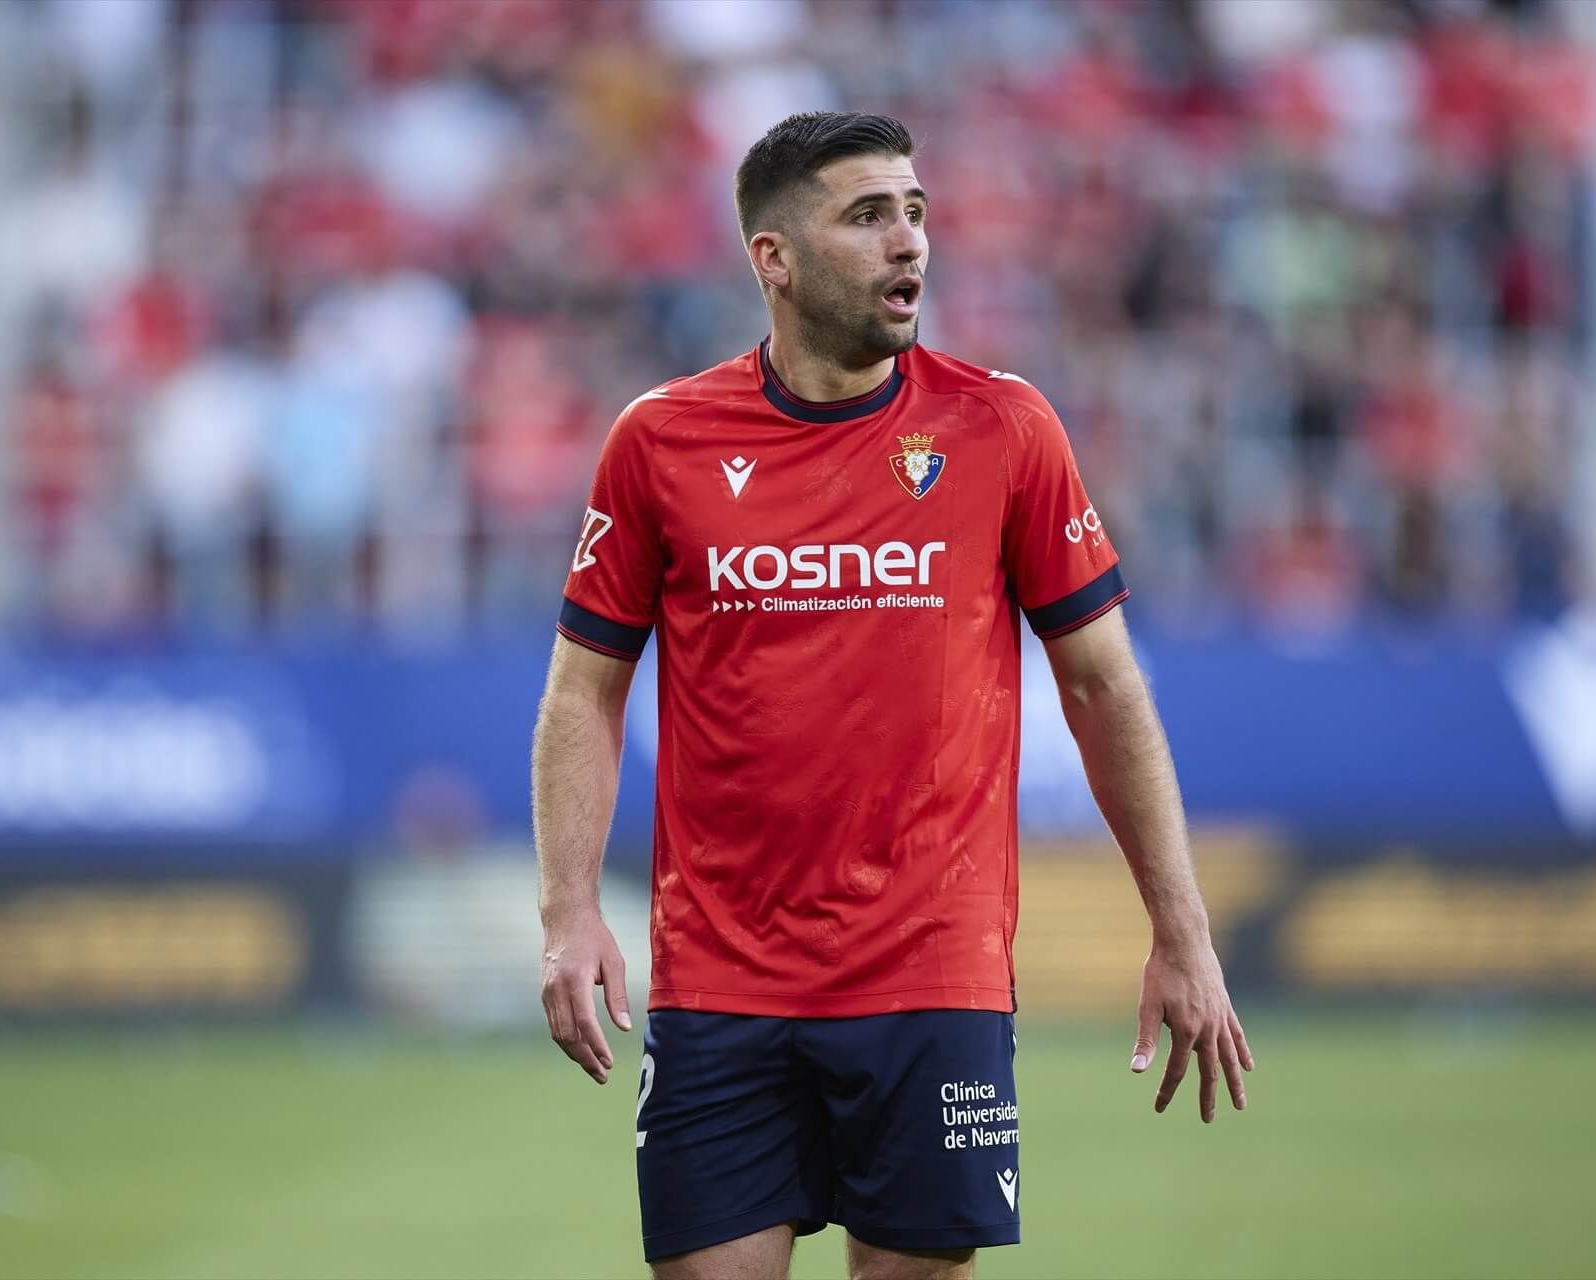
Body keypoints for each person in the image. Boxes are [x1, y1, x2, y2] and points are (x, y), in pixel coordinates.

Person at [531, 112, 1253, 1280]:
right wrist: (568, 911)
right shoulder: (660, 440)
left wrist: (1182, 929)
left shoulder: (1003, 426)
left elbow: (1103, 683)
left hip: (932, 972)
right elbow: (583, 691)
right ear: (773, 258)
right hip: (720, 978)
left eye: (914, 211)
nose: (908, 239)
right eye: (868, 216)